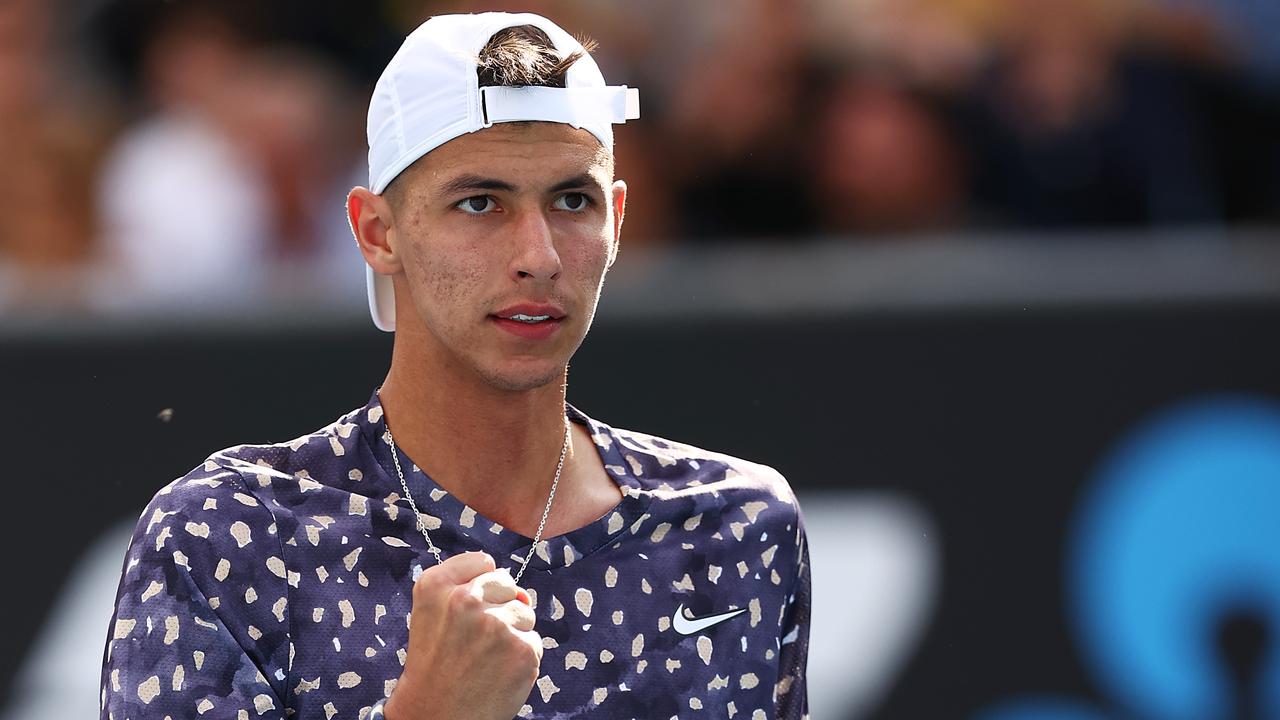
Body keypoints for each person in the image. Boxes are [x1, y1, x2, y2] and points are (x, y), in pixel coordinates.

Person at [100, 12, 810, 719]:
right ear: (377, 233)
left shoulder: (740, 523)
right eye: (479, 203)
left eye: (572, 200)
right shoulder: (228, 532)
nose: (540, 256)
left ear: (616, 222)